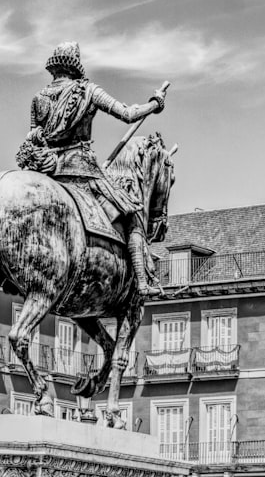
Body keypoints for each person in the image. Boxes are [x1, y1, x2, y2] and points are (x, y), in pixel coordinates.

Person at [16, 41, 167, 296]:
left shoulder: (38, 98)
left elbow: (33, 137)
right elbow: (129, 114)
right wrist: (155, 103)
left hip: (46, 170)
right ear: (75, 65)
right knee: (132, 213)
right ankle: (142, 282)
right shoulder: (88, 90)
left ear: (53, 68)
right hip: (80, 170)